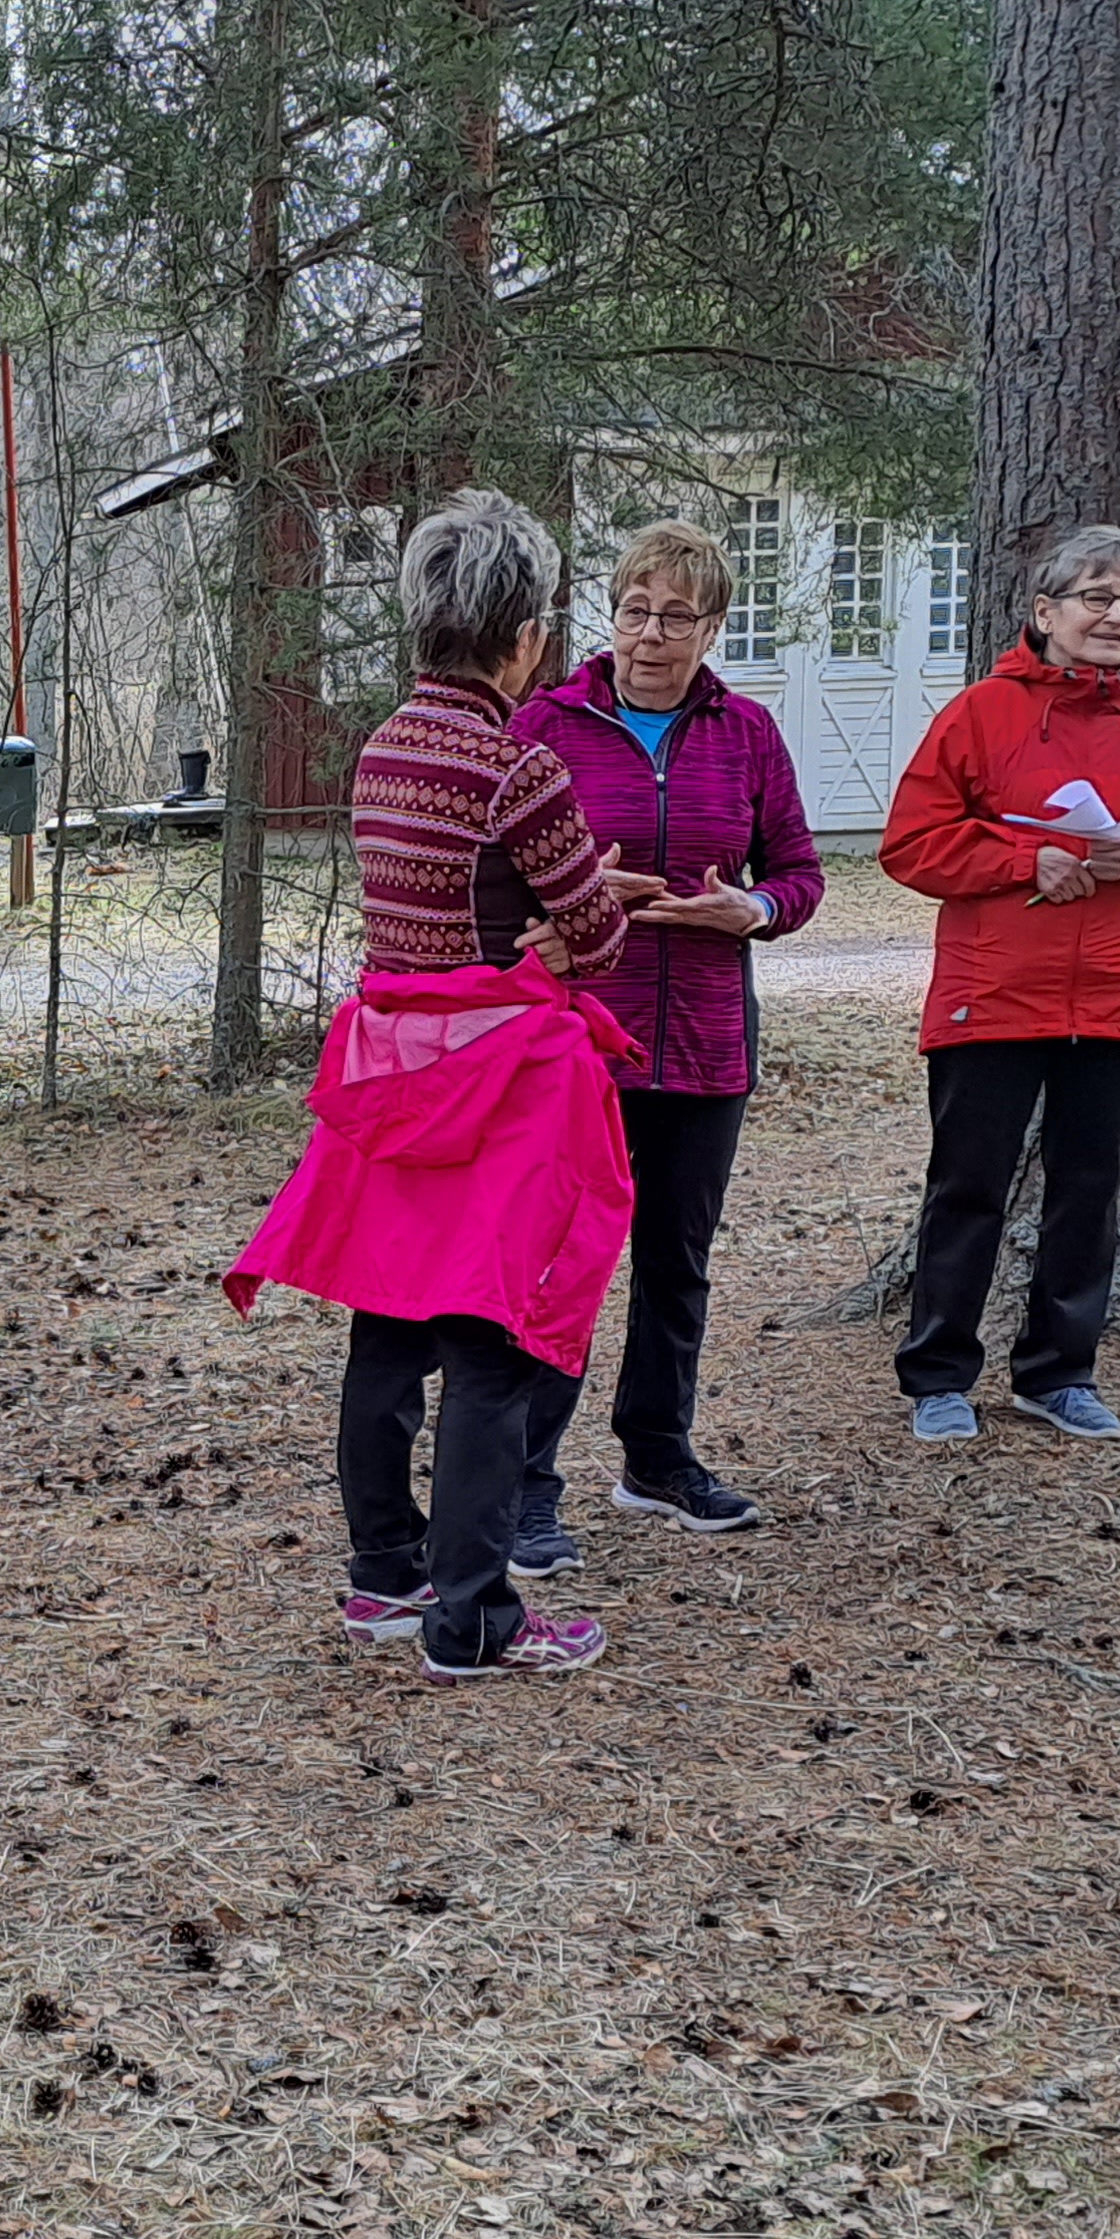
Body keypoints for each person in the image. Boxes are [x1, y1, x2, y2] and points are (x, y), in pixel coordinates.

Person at [268, 486, 632, 1683]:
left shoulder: (381, 748)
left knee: (387, 1321)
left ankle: (385, 1576)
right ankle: (471, 1616)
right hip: (495, 1087)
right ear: (522, 634)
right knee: (490, 1343)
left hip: (391, 1074)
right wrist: (573, 915)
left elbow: (415, 918)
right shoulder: (512, 768)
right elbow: (596, 930)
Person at [503, 520, 824, 1558]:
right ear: (611, 615)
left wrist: (756, 914)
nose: (650, 634)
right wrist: (576, 893)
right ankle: (523, 1484)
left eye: (676, 616)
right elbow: (494, 877)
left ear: (714, 627)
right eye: (635, 610)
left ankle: (657, 1457)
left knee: (675, 1261)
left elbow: (799, 875)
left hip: (704, 1039)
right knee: (559, 1266)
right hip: (576, 1042)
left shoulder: (746, 735)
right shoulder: (545, 724)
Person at [880, 524, 1120, 1443]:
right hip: (992, 992)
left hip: (1117, 999)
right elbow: (910, 844)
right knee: (969, 1188)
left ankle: (1058, 1371)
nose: (1116, 617)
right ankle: (938, 1376)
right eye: (1096, 598)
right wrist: (1023, 858)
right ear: (1045, 613)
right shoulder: (979, 715)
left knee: (1090, 1191)